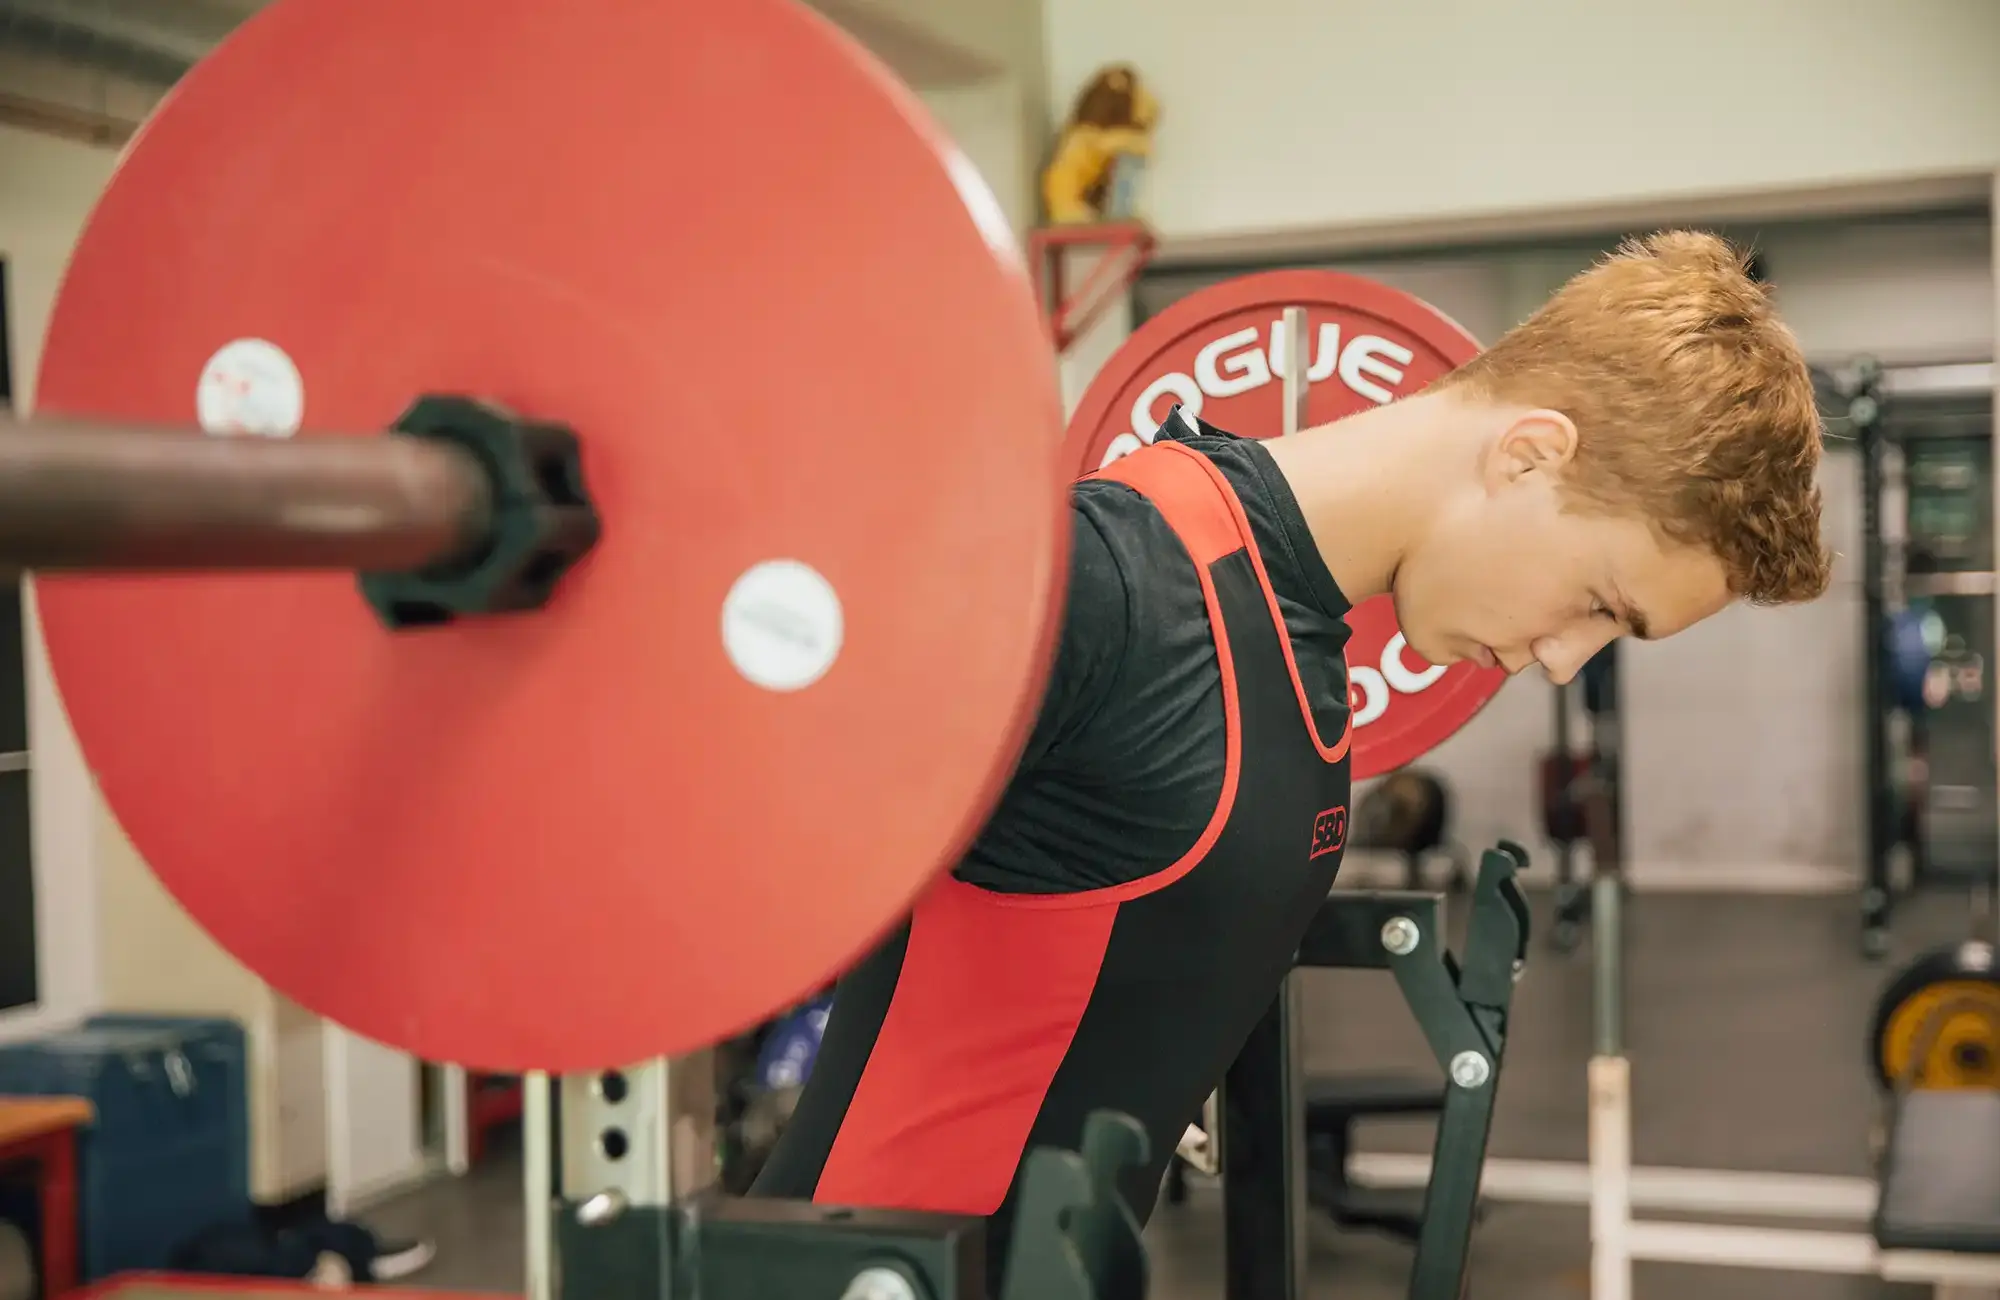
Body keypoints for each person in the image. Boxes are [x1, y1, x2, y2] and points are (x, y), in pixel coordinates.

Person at [749, 231, 1830, 1286]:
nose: (1560, 661)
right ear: (1527, 453)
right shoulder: (1112, 584)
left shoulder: (1296, 629)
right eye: (1597, 602)